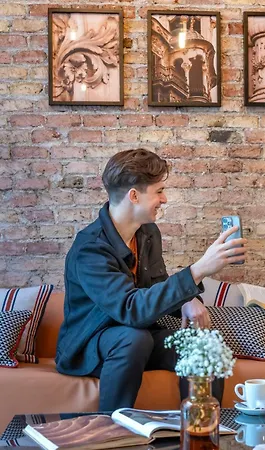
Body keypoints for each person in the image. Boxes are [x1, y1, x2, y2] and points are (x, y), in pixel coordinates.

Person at [56, 149, 247, 411]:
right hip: (90, 345)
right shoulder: (90, 249)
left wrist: (187, 299)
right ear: (134, 196)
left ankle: (200, 425)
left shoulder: (147, 232)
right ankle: (110, 427)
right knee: (134, 338)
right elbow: (130, 309)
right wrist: (199, 269)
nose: (164, 199)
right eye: (159, 191)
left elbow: (157, 282)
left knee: (203, 344)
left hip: (140, 339)